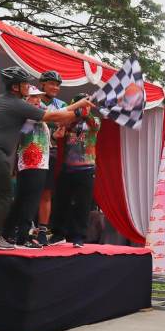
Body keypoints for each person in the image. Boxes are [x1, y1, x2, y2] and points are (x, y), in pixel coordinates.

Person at [0, 67, 93, 250]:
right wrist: (79, 112)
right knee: (3, 196)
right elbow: (52, 116)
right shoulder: (17, 103)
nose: (29, 87)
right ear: (15, 87)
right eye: (26, 84)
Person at [48, 93, 101, 248]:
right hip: (68, 167)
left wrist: (85, 113)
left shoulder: (94, 121)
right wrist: (75, 113)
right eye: (81, 104)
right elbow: (59, 123)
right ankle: (58, 233)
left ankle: (79, 236)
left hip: (87, 168)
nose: (84, 106)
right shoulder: (68, 122)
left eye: (86, 104)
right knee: (61, 202)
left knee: (83, 204)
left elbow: (94, 124)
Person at [3, 85, 52, 249]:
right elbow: (23, 133)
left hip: (33, 163)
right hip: (33, 163)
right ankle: (23, 237)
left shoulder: (34, 115)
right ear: (26, 99)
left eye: (39, 97)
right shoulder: (28, 115)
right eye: (34, 97)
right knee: (30, 201)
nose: (38, 100)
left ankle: (7, 233)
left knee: (21, 200)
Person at [37, 70, 66, 246]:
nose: (55, 87)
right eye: (51, 83)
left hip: (51, 151)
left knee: (46, 192)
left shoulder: (61, 104)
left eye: (57, 85)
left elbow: (62, 128)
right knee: (28, 191)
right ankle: (21, 227)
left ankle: (42, 230)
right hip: (31, 150)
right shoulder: (33, 99)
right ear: (43, 84)